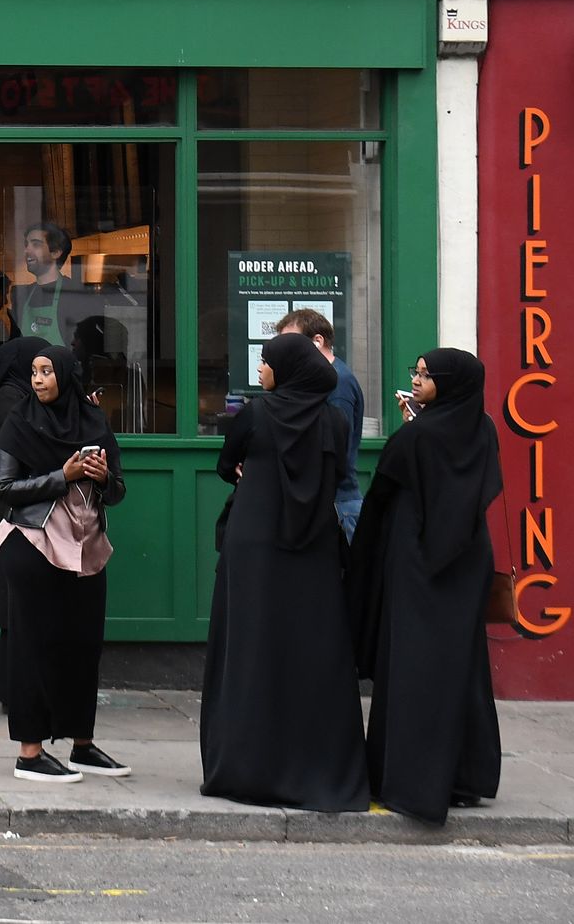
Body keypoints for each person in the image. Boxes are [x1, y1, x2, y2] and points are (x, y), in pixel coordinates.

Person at [199, 332, 368, 813]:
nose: (259, 369)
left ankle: (247, 766)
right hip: (313, 548)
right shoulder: (334, 420)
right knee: (310, 654)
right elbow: (339, 476)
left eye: (266, 361)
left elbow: (225, 464)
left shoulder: (255, 414)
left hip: (254, 546)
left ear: (286, 369)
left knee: (251, 648)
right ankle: (313, 768)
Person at [347, 348, 503, 825]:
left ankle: (412, 780)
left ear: (449, 382)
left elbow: (385, 491)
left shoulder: (416, 437)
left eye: (426, 375)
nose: (416, 381)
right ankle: (465, 777)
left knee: (413, 667)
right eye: (415, 373)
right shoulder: (482, 429)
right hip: (466, 561)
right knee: (460, 665)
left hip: (417, 560)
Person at [0, 343, 130, 782]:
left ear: (67, 376)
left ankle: (82, 746)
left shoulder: (95, 422)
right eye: (34, 371)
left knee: (84, 646)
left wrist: (103, 479)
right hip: (33, 543)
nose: (38, 380)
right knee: (33, 646)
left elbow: (119, 489)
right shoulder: (19, 422)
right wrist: (62, 477)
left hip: (86, 546)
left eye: (47, 371)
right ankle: (29, 753)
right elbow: (6, 489)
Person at [0, 336, 47, 707]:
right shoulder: (9, 399)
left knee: (23, 602)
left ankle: (14, 684)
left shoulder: (13, 395)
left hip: (20, 504)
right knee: (19, 601)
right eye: (36, 367)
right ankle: (12, 686)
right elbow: (28, 446)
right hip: (15, 509)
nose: (41, 377)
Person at [275, 307, 367, 541]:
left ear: (318, 340)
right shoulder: (321, 378)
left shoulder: (338, 382)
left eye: (292, 343)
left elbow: (338, 447)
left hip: (337, 504)